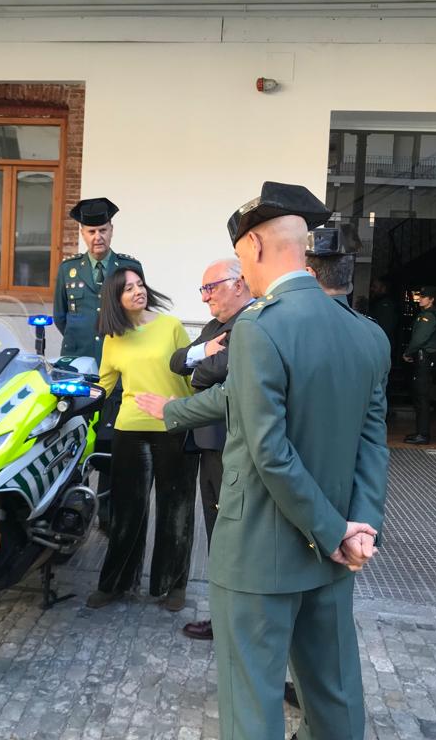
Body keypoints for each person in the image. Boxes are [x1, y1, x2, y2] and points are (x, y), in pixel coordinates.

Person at [137, 182, 390, 740]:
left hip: (258, 555)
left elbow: (268, 451)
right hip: (335, 557)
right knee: (335, 698)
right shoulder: (367, 335)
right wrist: (357, 529)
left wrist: (331, 531)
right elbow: (374, 443)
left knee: (252, 708)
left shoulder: (258, 327)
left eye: (238, 260)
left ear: (253, 246)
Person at [88, 266, 197, 613]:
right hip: (130, 428)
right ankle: (117, 583)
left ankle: (172, 585)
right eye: (128, 288)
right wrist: (71, 409)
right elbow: (103, 386)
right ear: (115, 299)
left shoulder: (171, 326)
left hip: (174, 426)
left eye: (140, 284)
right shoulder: (113, 338)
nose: (138, 291)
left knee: (175, 510)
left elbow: (193, 373)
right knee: (126, 511)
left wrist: (199, 410)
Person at [168, 258, 253, 641]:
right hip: (208, 441)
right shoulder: (218, 326)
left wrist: (201, 364)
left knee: (231, 535)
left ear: (238, 284)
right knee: (216, 532)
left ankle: (232, 622)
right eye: (202, 290)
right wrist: (204, 356)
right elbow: (178, 363)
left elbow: (213, 373)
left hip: (232, 444)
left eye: (211, 288)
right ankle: (223, 618)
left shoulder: (254, 322)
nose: (205, 299)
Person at [53, 197, 142, 531]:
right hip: (79, 372)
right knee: (70, 440)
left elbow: (136, 315)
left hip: (117, 372)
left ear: (111, 230)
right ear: (82, 233)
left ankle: (108, 515)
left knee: (110, 444)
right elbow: (60, 318)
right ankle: (68, 511)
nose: (97, 237)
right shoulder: (68, 270)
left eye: (102, 230)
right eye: (90, 231)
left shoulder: (129, 269)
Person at [403, 286, 436, 445]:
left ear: (431, 299)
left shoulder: (428, 316)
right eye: (420, 296)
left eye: (425, 297)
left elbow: (420, 339)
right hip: (423, 358)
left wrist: (407, 352)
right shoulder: (428, 314)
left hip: (424, 358)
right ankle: (420, 432)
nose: (421, 299)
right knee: (420, 396)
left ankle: (423, 434)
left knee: (422, 396)